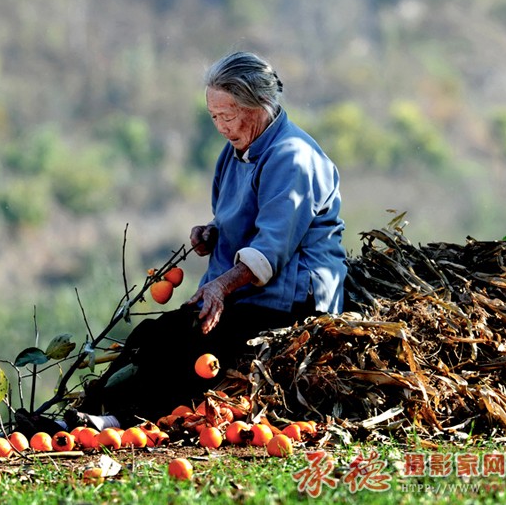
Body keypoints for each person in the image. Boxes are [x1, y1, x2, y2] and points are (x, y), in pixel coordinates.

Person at [66, 51, 347, 431]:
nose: (220, 126)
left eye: (227, 116)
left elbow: (271, 248)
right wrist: (213, 231)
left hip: (290, 297)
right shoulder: (236, 154)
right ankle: (97, 407)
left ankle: (127, 419)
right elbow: (242, 214)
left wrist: (220, 285)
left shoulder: (291, 158)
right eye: (214, 117)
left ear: (257, 106)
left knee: (192, 345)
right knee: (150, 336)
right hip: (248, 290)